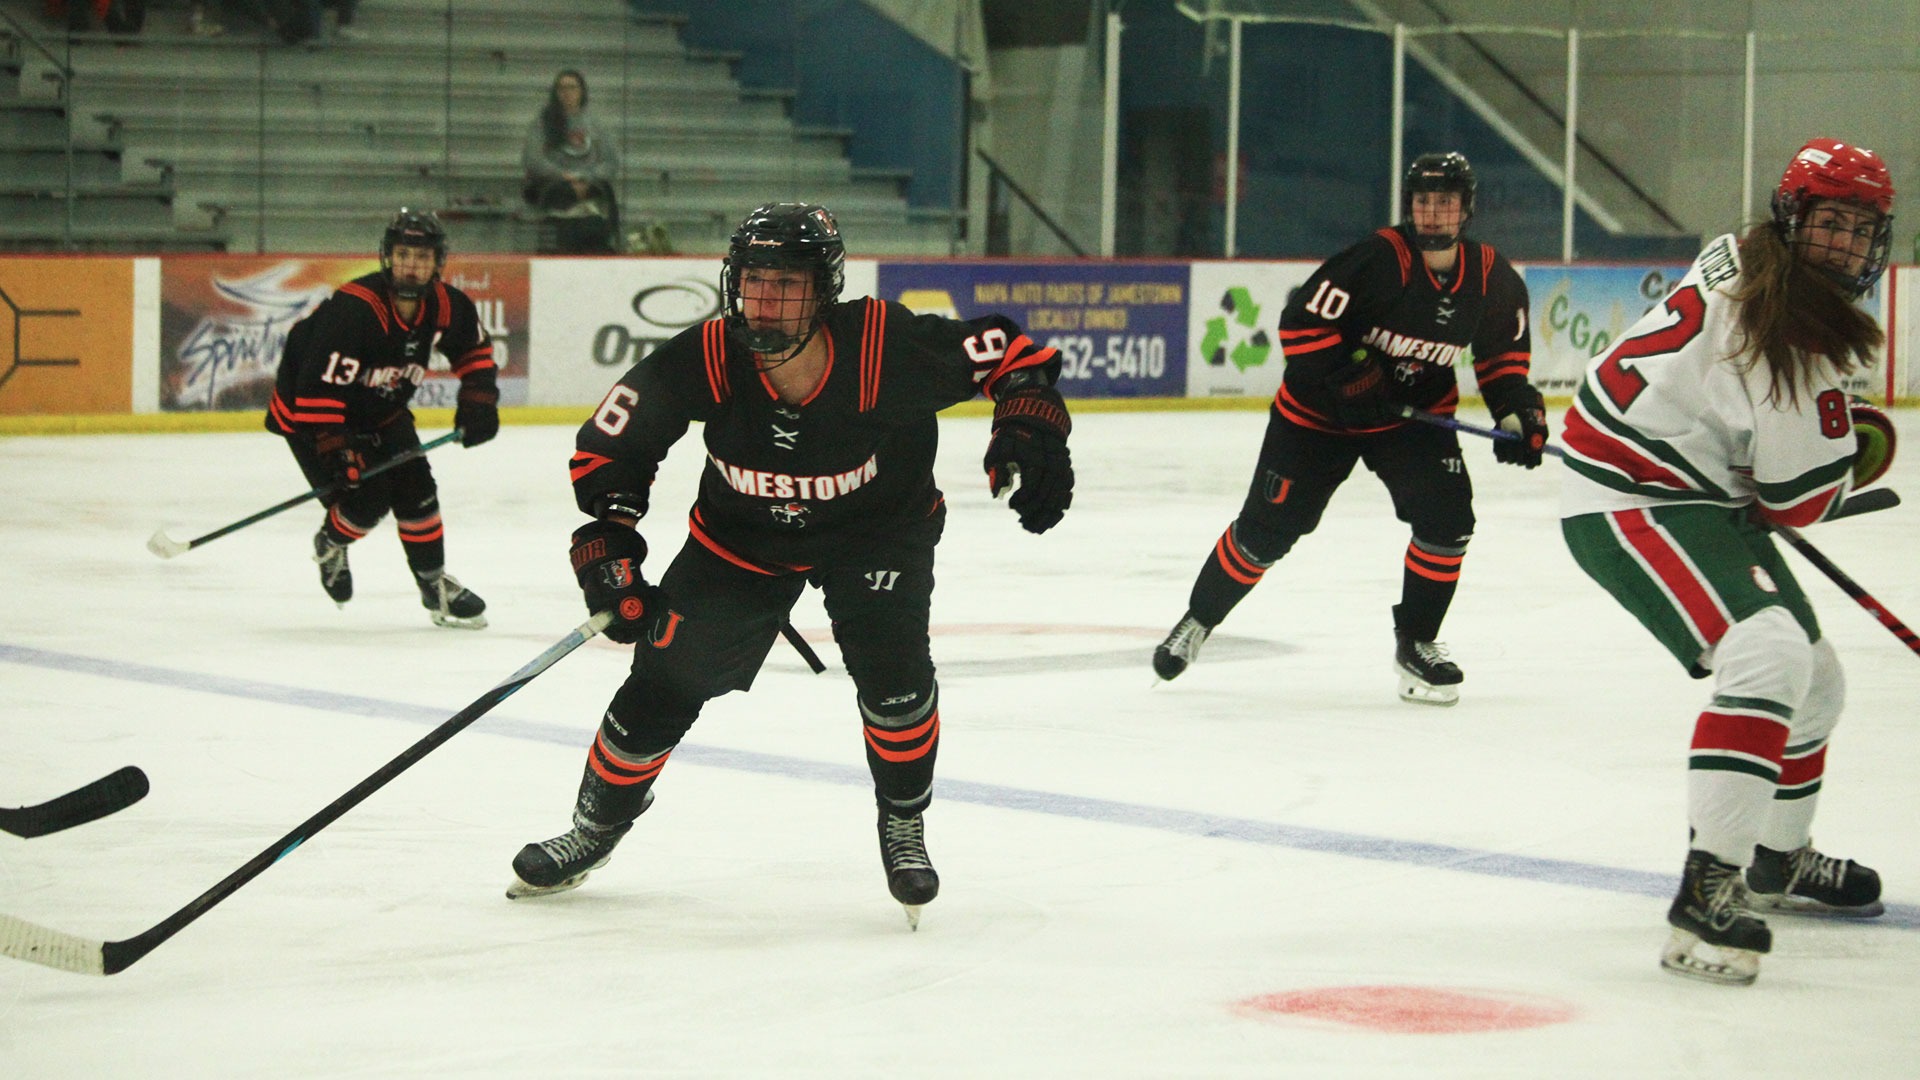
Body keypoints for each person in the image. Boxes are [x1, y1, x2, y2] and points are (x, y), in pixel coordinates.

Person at [507, 203, 1075, 928]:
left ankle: (903, 821)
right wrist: (609, 548)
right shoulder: (710, 353)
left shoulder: (881, 345)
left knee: (896, 679)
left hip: (877, 532)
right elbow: (612, 448)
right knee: (660, 685)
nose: (765, 301)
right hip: (742, 537)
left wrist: (1028, 426)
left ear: (824, 289)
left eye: (787, 284)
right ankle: (594, 829)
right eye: (753, 281)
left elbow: (1012, 356)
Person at [1558, 137, 1895, 986]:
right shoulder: (1792, 335)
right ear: (1794, 218)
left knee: (1816, 677)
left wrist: (1817, 453)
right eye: (1831, 224)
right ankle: (1709, 885)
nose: (1846, 247)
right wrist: (1844, 457)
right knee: (1767, 653)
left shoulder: (1744, 253)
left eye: (1861, 230)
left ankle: (1781, 858)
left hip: (1688, 479)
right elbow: (1797, 503)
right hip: (1631, 494)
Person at [1152, 151, 1546, 706]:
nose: (1432, 215)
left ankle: (1418, 643)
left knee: (1448, 519)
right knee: (1265, 533)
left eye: (1446, 204)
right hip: (1318, 415)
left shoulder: (1493, 281)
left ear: (1467, 211)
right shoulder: (1378, 259)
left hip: (1409, 419)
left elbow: (1503, 363)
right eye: (1423, 203)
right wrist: (1350, 378)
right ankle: (1198, 619)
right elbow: (1302, 325)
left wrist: (1520, 415)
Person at [263, 208, 500, 629]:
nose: (412, 265)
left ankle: (433, 585)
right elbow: (318, 388)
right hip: (310, 413)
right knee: (365, 499)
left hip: (383, 409)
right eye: (404, 254)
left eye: (422, 257)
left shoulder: (445, 304)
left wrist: (478, 401)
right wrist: (338, 450)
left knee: (418, 490)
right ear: (388, 256)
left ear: (437, 263)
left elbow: (474, 352)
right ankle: (331, 543)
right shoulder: (356, 309)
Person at [521, 69, 622, 254]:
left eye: (572, 87)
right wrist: (564, 176)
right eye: (561, 88)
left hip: (591, 186)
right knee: (561, 195)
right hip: (555, 186)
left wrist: (587, 178)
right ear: (555, 93)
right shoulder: (542, 123)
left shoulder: (597, 124)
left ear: (582, 91)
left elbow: (611, 162)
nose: (567, 92)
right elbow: (532, 160)